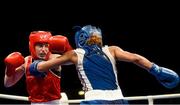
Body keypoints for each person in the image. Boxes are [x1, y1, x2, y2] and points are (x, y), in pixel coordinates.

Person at [29, 25, 180, 105]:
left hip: (95, 100)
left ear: (81, 37)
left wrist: (34, 67)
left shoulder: (75, 54)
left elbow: (42, 67)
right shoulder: (112, 50)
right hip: (119, 99)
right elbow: (135, 58)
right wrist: (156, 70)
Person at [4, 31, 72, 105]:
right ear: (32, 46)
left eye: (46, 45)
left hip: (53, 103)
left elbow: (72, 60)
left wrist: (68, 48)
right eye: (40, 46)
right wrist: (9, 68)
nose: (44, 49)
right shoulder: (26, 61)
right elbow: (8, 84)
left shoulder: (54, 58)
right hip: (34, 103)